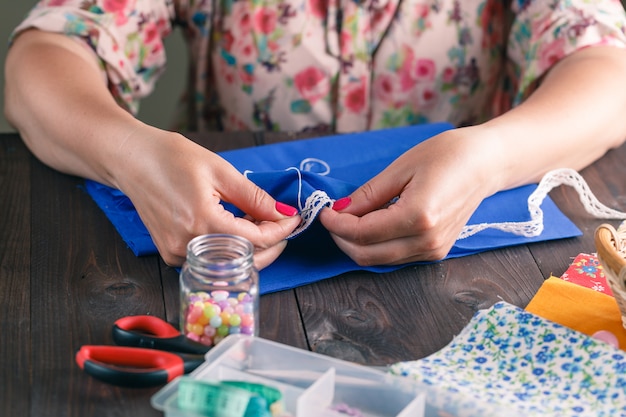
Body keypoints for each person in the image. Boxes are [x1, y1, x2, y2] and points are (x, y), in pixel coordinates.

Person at [5, 0, 626, 270]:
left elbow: (608, 74)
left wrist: (490, 156)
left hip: (460, 272)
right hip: (225, 259)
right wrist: (131, 154)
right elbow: (44, 59)